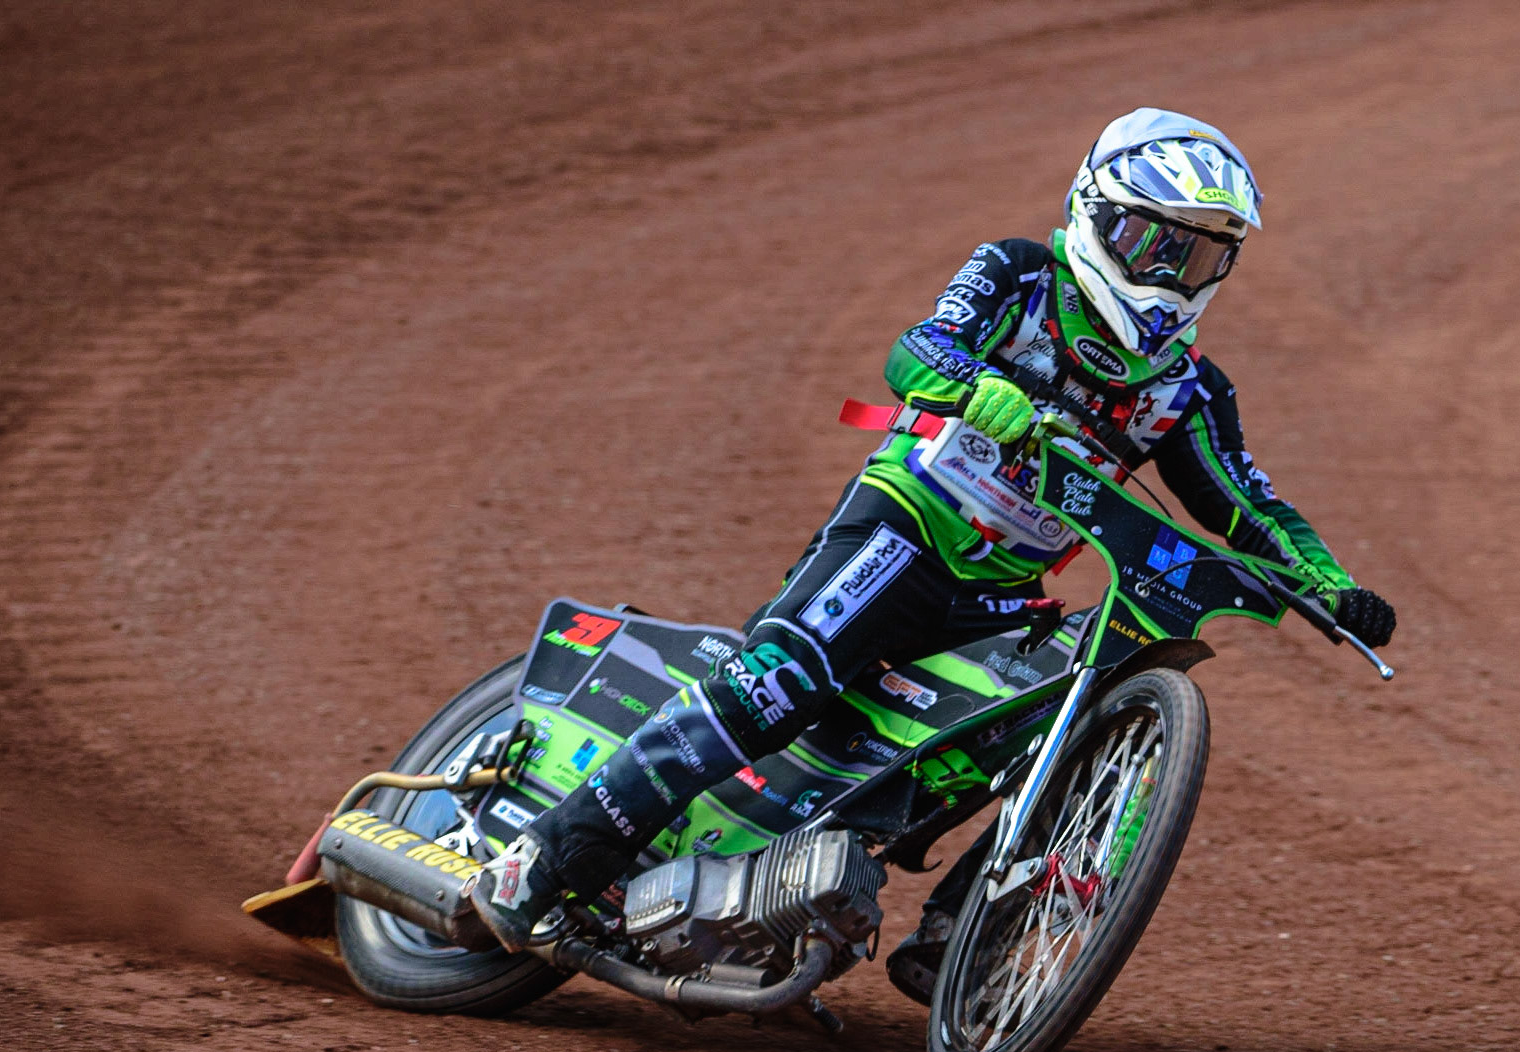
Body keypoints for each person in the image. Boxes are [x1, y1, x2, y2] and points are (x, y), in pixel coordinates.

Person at [469, 108, 1396, 1004]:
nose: (1170, 273)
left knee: (1066, 718)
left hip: (999, 598)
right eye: (1155, 243)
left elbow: (1245, 502)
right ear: (1097, 215)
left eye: (1196, 256)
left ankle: (963, 934)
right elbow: (919, 351)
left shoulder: (1186, 387)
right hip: (901, 531)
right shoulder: (1020, 276)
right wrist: (977, 384)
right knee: (778, 681)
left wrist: (1329, 584)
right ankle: (550, 856)